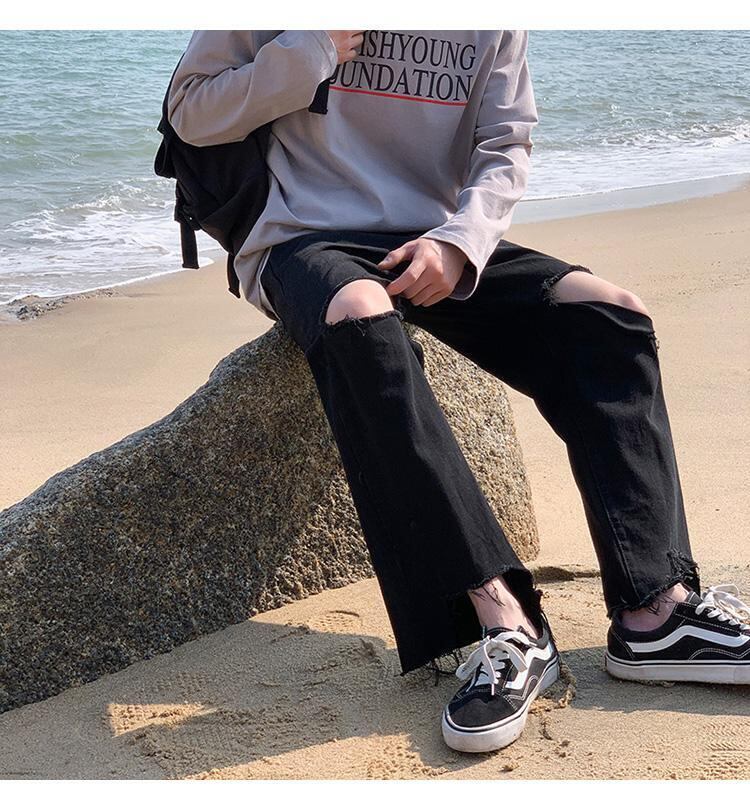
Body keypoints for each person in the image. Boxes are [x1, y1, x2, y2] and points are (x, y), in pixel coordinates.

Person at [167, 29, 750, 753]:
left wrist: (460, 242)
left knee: (610, 313)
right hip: (301, 235)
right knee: (360, 315)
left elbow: (505, 143)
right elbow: (191, 113)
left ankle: (655, 612)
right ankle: (503, 621)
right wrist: (312, 47)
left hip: (434, 239)